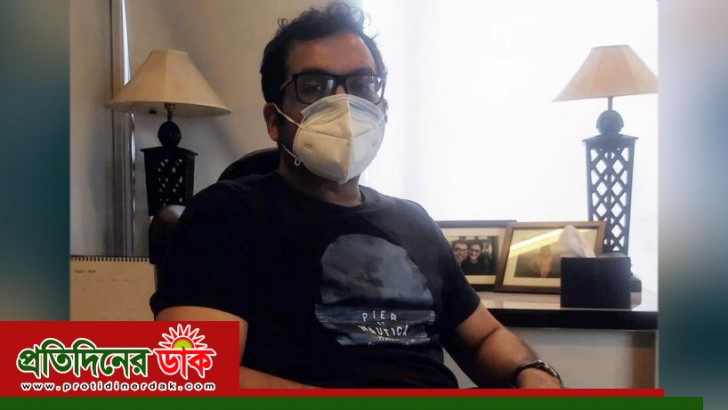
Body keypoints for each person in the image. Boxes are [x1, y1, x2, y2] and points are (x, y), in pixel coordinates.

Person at [151, 2, 562, 389]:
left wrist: (533, 372)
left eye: (363, 85)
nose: (344, 104)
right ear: (275, 120)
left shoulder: (414, 221)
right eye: (314, 86)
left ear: (383, 109)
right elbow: (189, 375)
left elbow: (484, 337)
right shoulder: (226, 214)